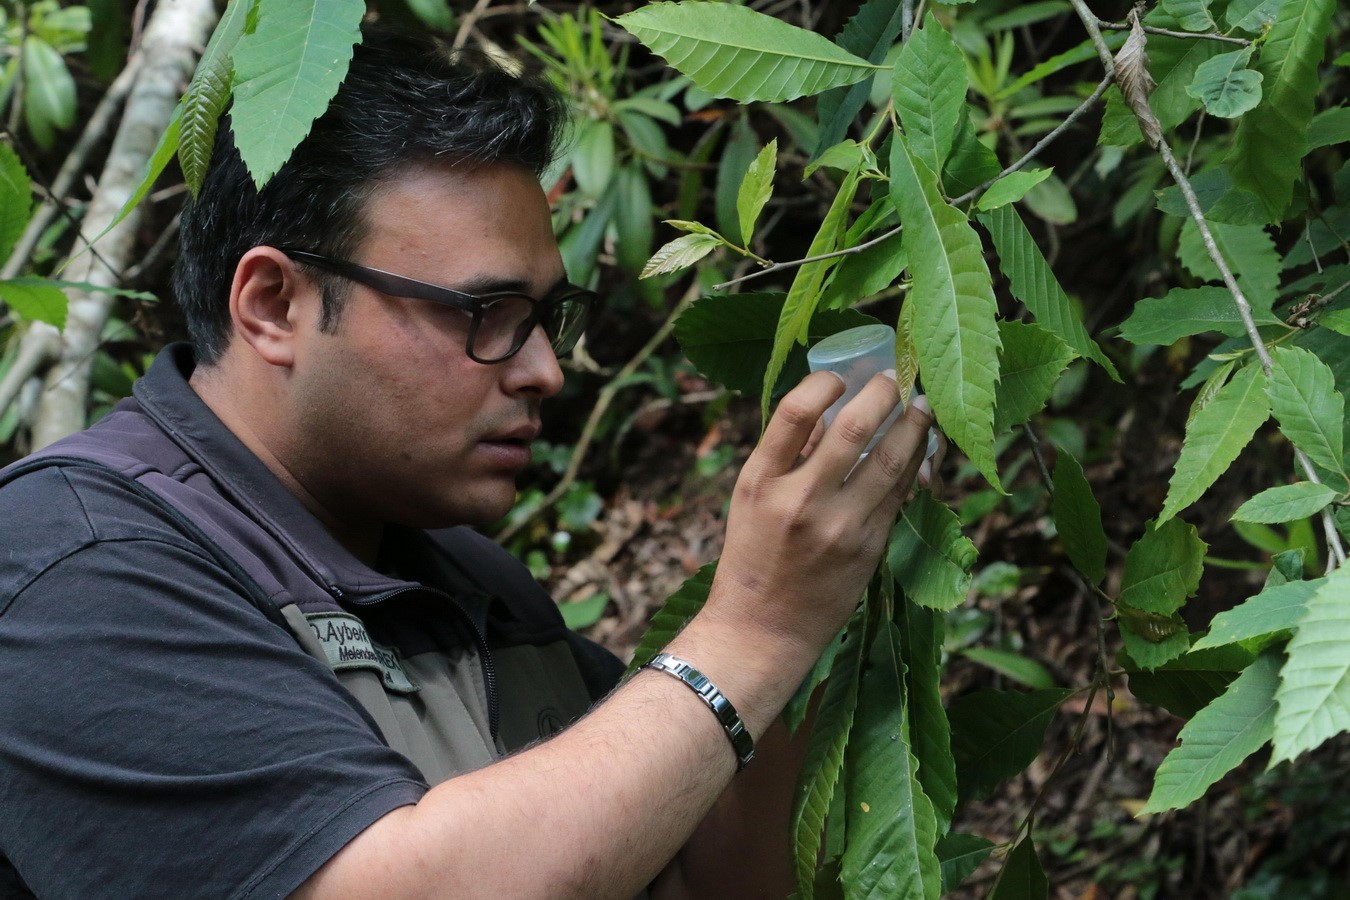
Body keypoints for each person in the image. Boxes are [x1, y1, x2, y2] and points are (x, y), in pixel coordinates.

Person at [0, 26, 934, 898]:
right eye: (483, 312)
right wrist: (752, 629)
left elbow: (713, 871)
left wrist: (820, 596)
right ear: (274, 305)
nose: (544, 370)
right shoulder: (73, 565)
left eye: (543, 317)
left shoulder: (466, 575)